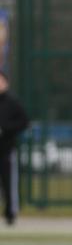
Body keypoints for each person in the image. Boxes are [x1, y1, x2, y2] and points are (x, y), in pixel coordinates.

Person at [0, 72, 29, 226]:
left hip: (6, 150)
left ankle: (10, 213)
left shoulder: (12, 102)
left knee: (8, 184)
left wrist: (5, 129)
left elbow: (24, 122)